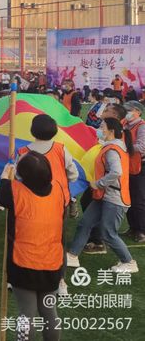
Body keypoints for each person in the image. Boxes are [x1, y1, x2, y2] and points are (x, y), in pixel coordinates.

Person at [0, 152, 65, 341]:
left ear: (23, 175)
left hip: (24, 263)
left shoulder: (14, 191)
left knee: (26, 314)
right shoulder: (59, 189)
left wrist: (5, 175)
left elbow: (2, 196)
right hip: (52, 263)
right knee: (49, 311)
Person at [67, 117, 138, 274]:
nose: (100, 129)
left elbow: (116, 172)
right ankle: (72, 255)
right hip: (104, 195)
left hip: (113, 198)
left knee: (108, 233)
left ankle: (128, 262)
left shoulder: (112, 149)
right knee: (85, 223)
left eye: (102, 127)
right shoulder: (113, 146)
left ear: (111, 131)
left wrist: (98, 183)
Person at [16, 114, 79, 216]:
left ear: (32, 130)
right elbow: (73, 174)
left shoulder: (23, 152)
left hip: (32, 199)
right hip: (59, 198)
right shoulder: (61, 149)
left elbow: (18, 176)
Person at [124, 101, 145, 243]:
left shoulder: (142, 126)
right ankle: (133, 227)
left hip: (139, 166)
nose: (127, 113)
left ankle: (142, 230)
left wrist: (124, 147)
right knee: (128, 198)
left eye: (129, 110)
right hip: (128, 165)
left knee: (138, 199)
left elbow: (142, 146)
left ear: (138, 111)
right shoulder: (126, 125)